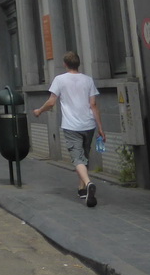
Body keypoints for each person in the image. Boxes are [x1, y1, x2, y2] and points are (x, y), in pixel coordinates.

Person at [33, 51, 106, 207]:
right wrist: (100, 127)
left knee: (77, 158)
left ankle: (87, 183)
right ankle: (82, 190)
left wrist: (39, 110)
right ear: (78, 63)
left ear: (65, 64)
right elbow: (93, 105)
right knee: (84, 156)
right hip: (89, 124)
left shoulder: (60, 80)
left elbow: (52, 102)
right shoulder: (88, 80)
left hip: (72, 126)